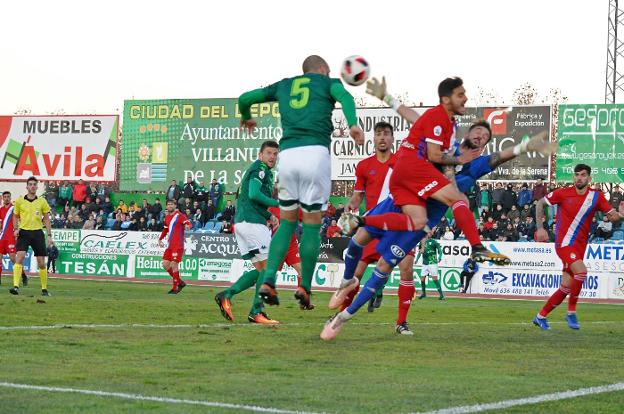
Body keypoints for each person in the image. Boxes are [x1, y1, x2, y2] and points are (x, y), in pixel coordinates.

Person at [321, 77, 557, 340]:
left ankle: (344, 318)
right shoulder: (445, 142)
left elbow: (500, 156)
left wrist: (526, 146)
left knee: (386, 268)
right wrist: (386, 96)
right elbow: (414, 119)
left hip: (419, 221)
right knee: (357, 242)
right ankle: (346, 282)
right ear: (467, 134)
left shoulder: (474, 167)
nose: (481, 137)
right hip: (398, 202)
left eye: (486, 137)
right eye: (478, 132)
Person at [238, 55, 364, 308]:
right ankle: (305, 287)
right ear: (322, 69)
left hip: (289, 157)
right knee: (311, 226)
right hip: (315, 154)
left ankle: (269, 279)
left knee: (286, 223)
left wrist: (247, 116)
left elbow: (245, 98)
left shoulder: (284, 85)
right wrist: (353, 125)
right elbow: (347, 97)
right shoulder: (327, 82)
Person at [339, 77, 508, 266]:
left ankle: (347, 278)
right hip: (413, 175)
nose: (465, 99)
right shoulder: (437, 119)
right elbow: (434, 152)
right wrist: (386, 97)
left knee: (416, 226)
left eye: (485, 136)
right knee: (456, 200)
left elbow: (418, 125)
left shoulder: (450, 128)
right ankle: (477, 247)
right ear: (446, 99)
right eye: (460, 95)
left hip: (411, 183)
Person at [336, 121, 416, 329]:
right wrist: (350, 207)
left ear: (392, 139)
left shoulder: (401, 161)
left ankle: (401, 323)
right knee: (356, 275)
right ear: (374, 138)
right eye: (378, 134)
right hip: (373, 225)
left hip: (401, 225)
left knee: (407, 269)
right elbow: (357, 196)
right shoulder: (364, 166)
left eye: (386, 134)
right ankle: (338, 317)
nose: (382, 137)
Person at [532, 164, 623, 331]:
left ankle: (540, 316)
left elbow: (613, 216)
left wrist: (621, 214)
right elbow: (540, 204)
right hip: (564, 244)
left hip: (580, 246)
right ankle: (571, 312)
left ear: (589, 178)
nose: (579, 178)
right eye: (576, 175)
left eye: (583, 175)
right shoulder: (562, 192)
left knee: (566, 286)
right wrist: (540, 227)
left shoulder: (597, 197)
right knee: (581, 272)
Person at [214, 140, 282, 324]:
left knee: (262, 271)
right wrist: (277, 204)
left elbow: (249, 201)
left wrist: (269, 215)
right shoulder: (260, 168)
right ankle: (256, 312)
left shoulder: (258, 171)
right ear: (261, 155)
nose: (272, 157)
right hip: (252, 225)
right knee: (270, 269)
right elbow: (253, 194)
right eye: (268, 153)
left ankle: (226, 295)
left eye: (275, 154)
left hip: (243, 223)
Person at [10, 177, 54, 296]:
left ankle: (44, 289)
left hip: (37, 233)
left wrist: (49, 235)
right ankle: (15, 287)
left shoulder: (42, 201)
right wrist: (15, 229)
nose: (33, 186)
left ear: (37, 187)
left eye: (35, 184)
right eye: (30, 184)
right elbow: (15, 216)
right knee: (20, 257)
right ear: (27, 187)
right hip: (23, 232)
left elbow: (46, 218)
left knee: (41, 263)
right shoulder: (19, 201)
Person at [158, 199, 191, 294]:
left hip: (178, 245)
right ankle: (180, 282)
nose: (170, 206)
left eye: (171, 204)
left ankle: (175, 288)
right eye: (168, 204)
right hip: (170, 245)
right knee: (165, 265)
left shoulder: (180, 216)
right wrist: (160, 239)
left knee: (174, 265)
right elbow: (165, 229)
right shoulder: (167, 217)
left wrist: (188, 226)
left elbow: (188, 223)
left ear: (175, 206)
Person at [0, 191, 28, 286]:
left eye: (8, 196)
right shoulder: (1, 210)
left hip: (11, 237)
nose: (6, 198)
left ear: (10, 198)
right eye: (5, 197)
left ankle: (23, 275)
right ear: (2, 198)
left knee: (13, 259)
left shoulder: (14, 209)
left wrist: (18, 230)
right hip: (2, 237)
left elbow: (22, 219)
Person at [415, 232, 444, 300]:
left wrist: (440, 257)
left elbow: (439, 250)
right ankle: (424, 294)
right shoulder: (421, 242)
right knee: (422, 279)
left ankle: (441, 295)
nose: (429, 234)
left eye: (430, 233)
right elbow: (420, 252)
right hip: (425, 263)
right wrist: (417, 259)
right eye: (428, 233)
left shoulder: (434, 242)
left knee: (435, 279)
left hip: (432, 262)